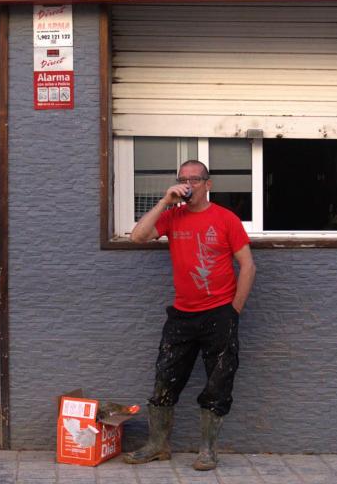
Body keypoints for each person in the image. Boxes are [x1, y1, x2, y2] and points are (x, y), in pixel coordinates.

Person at [124, 159, 256, 471]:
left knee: (218, 383)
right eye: (183, 179)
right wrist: (164, 201)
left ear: (208, 185)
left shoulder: (226, 219)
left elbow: (248, 266)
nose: (189, 184)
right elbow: (137, 237)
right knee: (164, 381)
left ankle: (208, 450)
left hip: (219, 314)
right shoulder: (173, 216)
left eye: (196, 179)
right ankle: (158, 445)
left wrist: (233, 310)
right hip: (181, 316)